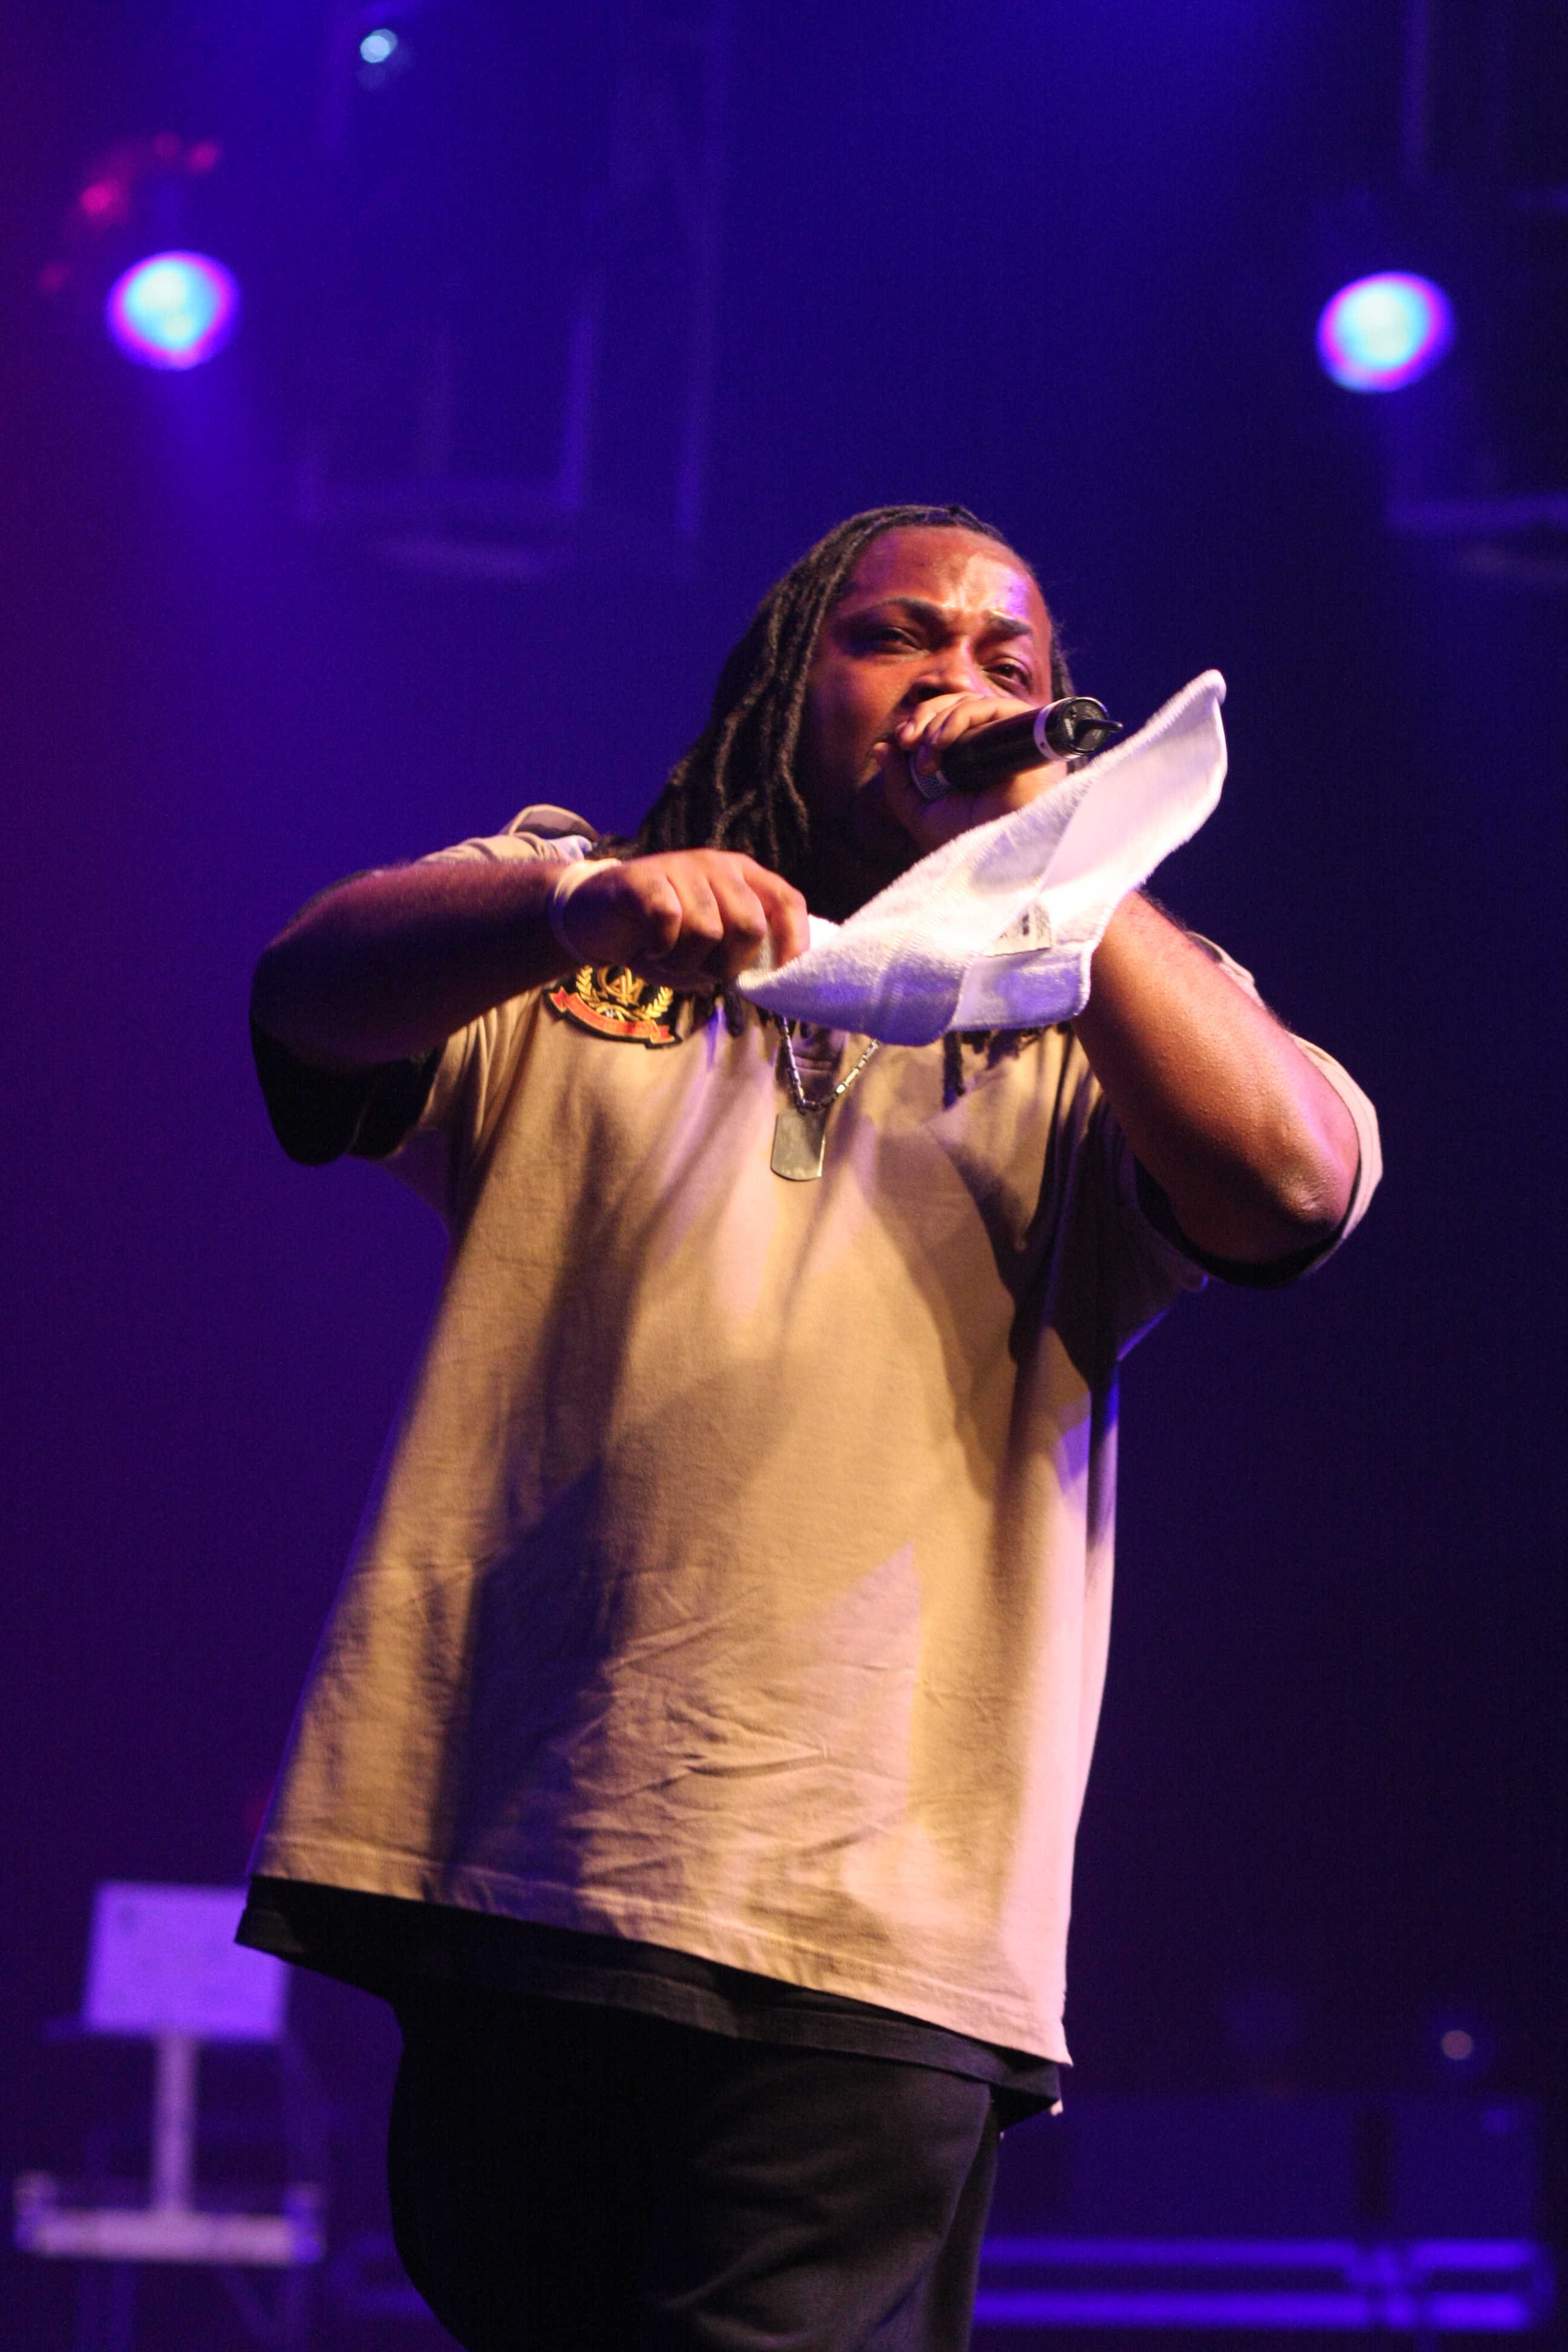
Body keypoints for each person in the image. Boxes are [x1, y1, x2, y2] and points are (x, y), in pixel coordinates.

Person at [238, 504, 1379, 2351]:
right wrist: (570, 907)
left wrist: (1063, 863)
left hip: (875, 1935)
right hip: (526, 1863)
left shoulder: (1092, 1026)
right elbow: (305, 1001)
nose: (957, 687)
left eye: (1009, 664)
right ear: (792, 680)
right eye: (899, 637)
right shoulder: (583, 927)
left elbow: (1294, 1184)